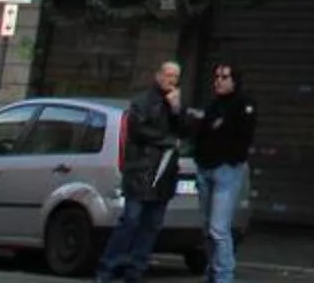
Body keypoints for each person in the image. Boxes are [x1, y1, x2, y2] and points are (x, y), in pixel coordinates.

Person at [98, 60, 185, 283]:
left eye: (175, 76)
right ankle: (108, 267)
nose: (171, 80)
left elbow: (183, 132)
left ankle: (136, 269)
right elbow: (139, 129)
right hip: (141, 172)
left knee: (153, 224)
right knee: (131, 220)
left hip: (163, 173)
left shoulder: (175, 104)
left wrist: (176, 110)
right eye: (168, 75)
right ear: (158, 76)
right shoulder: (142, 101)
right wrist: (167, 141)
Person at [193, 60, 257, 283]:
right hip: (206, 169)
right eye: (216, 77)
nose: (218, 81)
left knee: (219, 228)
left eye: (224, 77)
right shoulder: (212, 105)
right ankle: (213, 271)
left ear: (234, 81)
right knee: (207, 229)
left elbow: (243, 136)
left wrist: (231, 158)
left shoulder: (244, 104)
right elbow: (201, 132)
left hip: (226, 170)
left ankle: (224, 276)